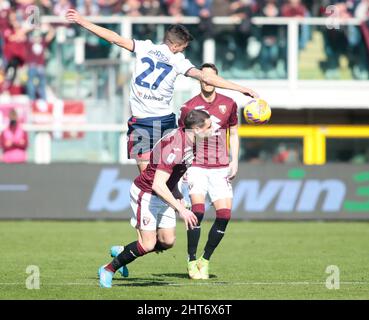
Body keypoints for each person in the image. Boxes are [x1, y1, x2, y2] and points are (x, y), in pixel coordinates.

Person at [65, 9, 259, 173]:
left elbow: (114, 38)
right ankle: (178, 195)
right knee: (166, 171)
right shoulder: (178, 60)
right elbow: (206, 77)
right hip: (163, 120)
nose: (184, 50)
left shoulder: (144, 47)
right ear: (175, 46)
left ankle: (174, 198)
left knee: (148, 174)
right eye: (183, 47)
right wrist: (241, 89)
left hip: (142, 120)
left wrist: (83, 21)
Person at [98, 109, 212, 288]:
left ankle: (124, 252)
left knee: (167, 242)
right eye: (209, 126)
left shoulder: (193, 142)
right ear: (196, 129)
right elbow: (157, 184)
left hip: (164, 194)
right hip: (147, 193)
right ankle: (108, 269)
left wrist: (178, 195)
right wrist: (181, 209)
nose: (213, 130)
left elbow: (172, 175)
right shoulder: (175, 147)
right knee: (148, 244)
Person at [178, 63, 239, 279]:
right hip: (197, 166)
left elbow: (234, 132)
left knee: (224, 215)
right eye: (204, 77)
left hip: (221, 166)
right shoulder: (188, 107)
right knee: (198, 212)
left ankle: (205, 259)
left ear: (218, 79)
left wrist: (235, 160)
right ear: (199, 80)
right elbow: (183, 139)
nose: (208, 81)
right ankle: (191, 259)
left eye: (212, 77)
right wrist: (183, 166)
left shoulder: (229, 104)